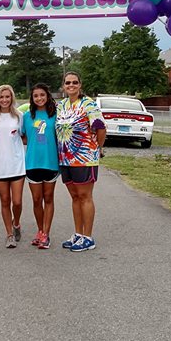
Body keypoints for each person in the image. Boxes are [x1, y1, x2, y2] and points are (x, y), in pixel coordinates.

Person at [56, 71, 106, 252]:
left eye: (74, 82)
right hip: (66, 160)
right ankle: (78, 234)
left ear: (80, 84)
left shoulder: (88, 105)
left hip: (84, 159)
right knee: (75, 197)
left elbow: (100, 128)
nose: (71, 85)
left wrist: (98, 148)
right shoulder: (61, 105)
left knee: (85, 197)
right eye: (68, 82)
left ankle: (88, 237)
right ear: (63, 85)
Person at [21, 83, 59, 249]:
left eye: (42, 95)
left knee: (48, 198)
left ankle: (46, 234)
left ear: (47, 95)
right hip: (32, 163)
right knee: (37, 200)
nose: (39, 98)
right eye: (36, 96)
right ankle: (40, 230)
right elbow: (22, 137)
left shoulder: (55, 115)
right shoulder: (27, 116)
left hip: (50, 163)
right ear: (32, 98)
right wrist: (34, 145)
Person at [0, 84, 26, 248]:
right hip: (0, 164)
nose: (4, 100)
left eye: (7, 97)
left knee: (17, 202)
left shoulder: (19, 116)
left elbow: (25, 137)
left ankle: (16, 223)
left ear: (12, 98)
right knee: (5, 200)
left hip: (17, 164)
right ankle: (9, 234)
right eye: (2, 97)